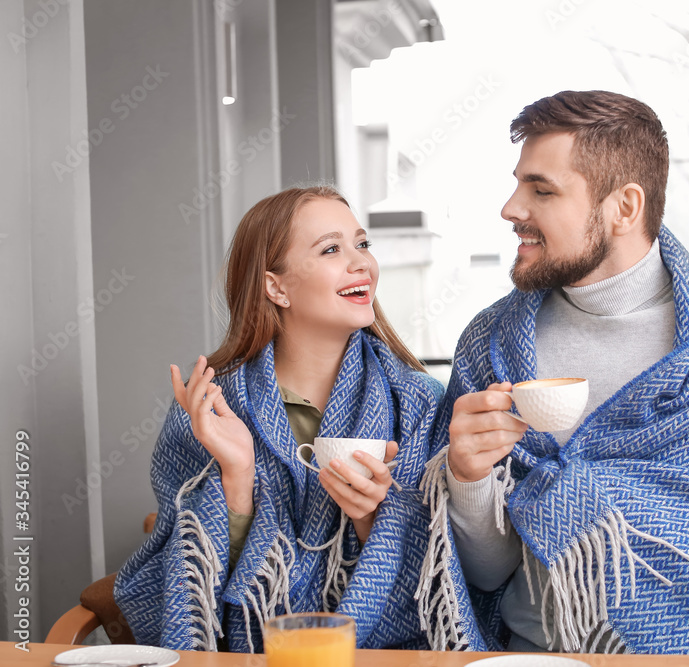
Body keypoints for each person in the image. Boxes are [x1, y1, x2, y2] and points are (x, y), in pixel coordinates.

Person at [418, 91, 689, 663]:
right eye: (518, 184)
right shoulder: (491, 344)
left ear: (624, 207)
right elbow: (485, 577)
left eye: (541, 190)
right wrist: (469, 479)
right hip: (531, 657)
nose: (511, 208)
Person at [114, 185, 443, 652]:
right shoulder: (210, 405)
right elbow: (173, 581)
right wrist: (237, 477)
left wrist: (375, 518)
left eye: (362, 244)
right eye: (332, 249)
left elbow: (449, 576)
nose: (361, 263)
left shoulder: (418, 401)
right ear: (275, 286)